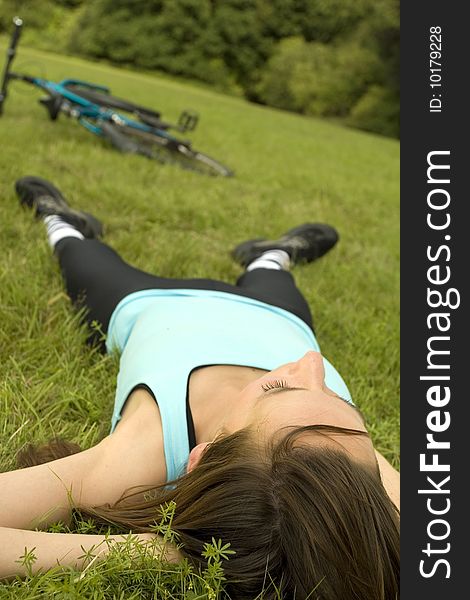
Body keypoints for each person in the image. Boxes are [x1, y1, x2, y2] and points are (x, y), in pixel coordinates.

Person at [0, 176, 400, 598]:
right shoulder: (345, 459)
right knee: (271, 275)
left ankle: (59, 218)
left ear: (202, 457)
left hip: (150, 300)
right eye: (338, 399)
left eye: (279, 387)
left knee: (76, 250)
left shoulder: (140, 453)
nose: (312, 363)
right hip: (276, 315)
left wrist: (150, 551)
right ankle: (270, 256)